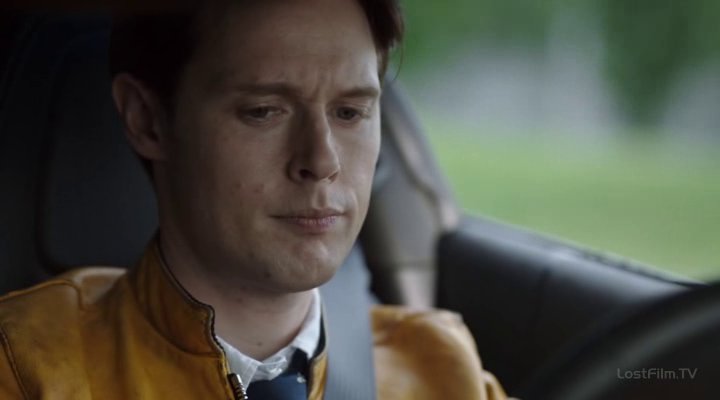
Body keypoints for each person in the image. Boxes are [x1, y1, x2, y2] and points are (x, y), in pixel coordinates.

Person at [0, 0, 510, 398]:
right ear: (147, 120)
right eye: (264, 111)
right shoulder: (25, 365)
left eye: (350, 113)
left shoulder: (441, 370)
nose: (322, 160)